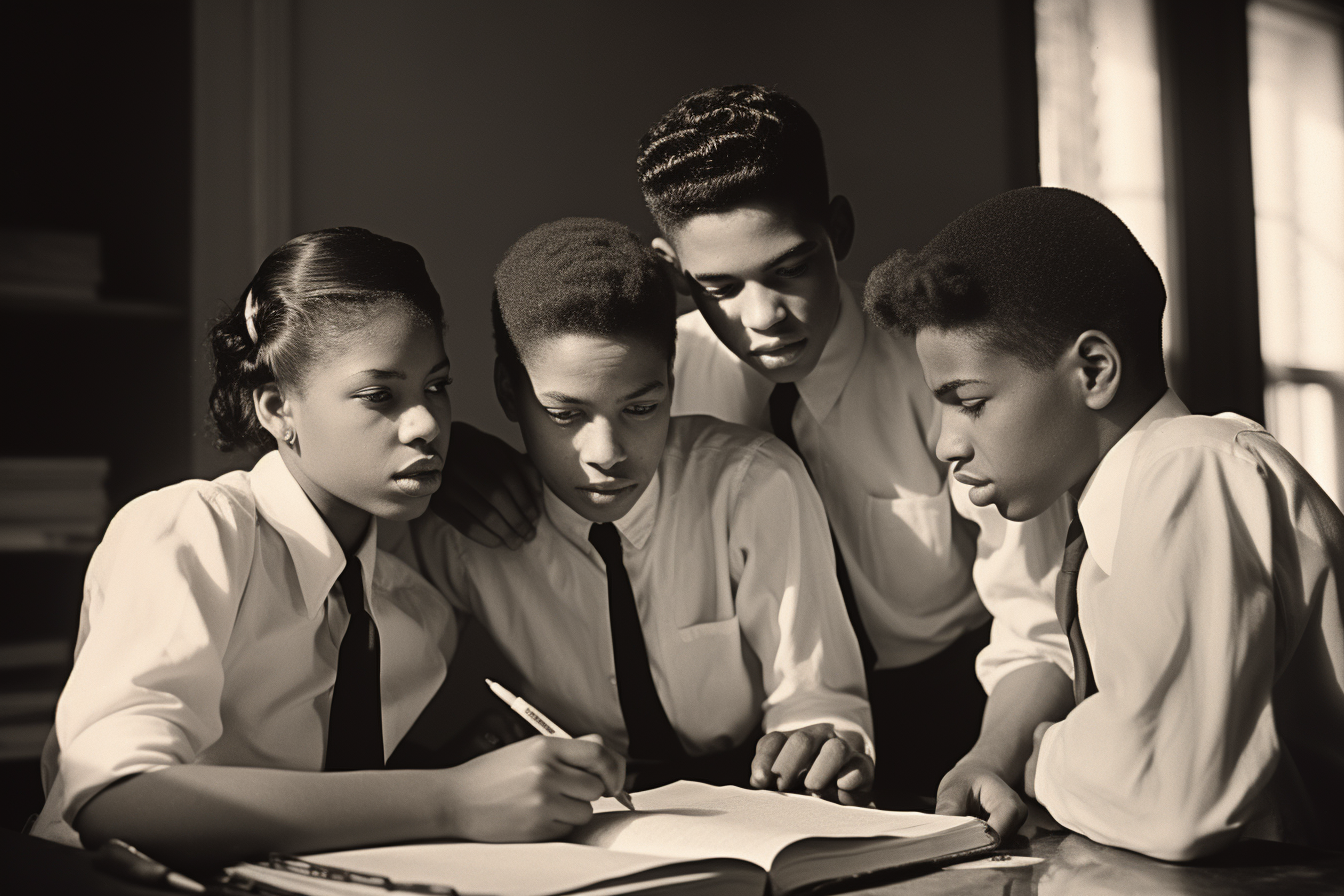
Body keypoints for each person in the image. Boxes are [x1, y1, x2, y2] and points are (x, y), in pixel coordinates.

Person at [32, 227, 626, 868]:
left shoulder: (413, 618)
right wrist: (450, 800)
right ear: (276, 408)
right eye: (380, 394)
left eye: (437, 386)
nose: (429, 424)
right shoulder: (193, 529)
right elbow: (116, 800)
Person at [863, 185, 1344, 859]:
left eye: (968, 402)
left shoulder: (1191, 468)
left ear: (1094, 369)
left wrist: (1035, 749)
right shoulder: (1118, 509)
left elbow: (1178, 798)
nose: (946, 444)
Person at [634, 84, 1070, 806]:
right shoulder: (659, 389)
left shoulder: (945, 376)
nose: (763, 317)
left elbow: (1039, 621)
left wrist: (989, 759)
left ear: (837, 230)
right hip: (766, 759)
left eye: (789, 269)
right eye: (719, 288)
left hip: (964, 727)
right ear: (674, 271)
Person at [382, 217, 874, 796]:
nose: (606, 455)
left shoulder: (751, 485)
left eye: (640, 409)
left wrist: (816, 743)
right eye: (565, 416)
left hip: (752, 793)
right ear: (508, 394)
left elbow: (815, 694)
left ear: (670, 380)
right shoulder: (463, 529)